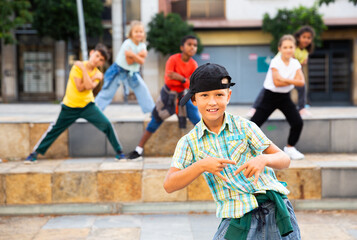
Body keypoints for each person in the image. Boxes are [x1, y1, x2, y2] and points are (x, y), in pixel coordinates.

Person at [164, 63, 301, 240]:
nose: (212, 102)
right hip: (238, 216)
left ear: (228, 96)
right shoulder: (189, 142)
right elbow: (169, 184)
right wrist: (201, 165)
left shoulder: (245, 127)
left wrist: (264, 159)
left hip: (276, 211)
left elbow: (284, 159)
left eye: (219, 95)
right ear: (194, 100)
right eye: (205, 95)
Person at [25, 44, 125, 164]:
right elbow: (80, 87)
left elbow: (88, 87)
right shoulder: (77, 67)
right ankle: (34, 154)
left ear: (102, 63)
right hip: (69, 107)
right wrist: (88, 74)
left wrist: (85, 71)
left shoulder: (96, 72)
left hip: (88, 106)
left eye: (101, 60)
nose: (97, 59)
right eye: (97, 56)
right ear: (91, 53)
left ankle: (119, 153)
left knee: (107, 125)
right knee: (54, 130)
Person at [126, 35, 200, 161]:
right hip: (168, 95)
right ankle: (138, 150)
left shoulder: (193, 65)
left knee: (198, 121)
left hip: (183, 96)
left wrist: (180, 78)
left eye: (195, 45)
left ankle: (207, 150)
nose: (192, 47)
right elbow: (169, 80)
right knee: (155, 120)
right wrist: (184, 80)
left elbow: (193, 85)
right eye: (189, 44)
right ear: (182, 47)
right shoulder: (173, 59)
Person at [250, 35, 305, 160]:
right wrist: (292, 81)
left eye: (291, 47)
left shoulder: (295, 63)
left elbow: (301, 82)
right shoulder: (276, 61)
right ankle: (247, 149)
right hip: (270, 96)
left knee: (297, 122)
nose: (288, 50)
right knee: (254, 124)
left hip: (285, 97)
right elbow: (276, 83)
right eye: (285, 47)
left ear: (295, 48)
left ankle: (290, 148)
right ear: (280, 48)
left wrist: (284, 79)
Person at [247, 26, 315, 118]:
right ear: (298, 37)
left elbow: (299, 66)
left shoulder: (305, 52)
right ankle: (254, 108)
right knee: (266, 89)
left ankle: (302, 108)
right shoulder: (292, 47)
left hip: (289, 73)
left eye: (309, 38)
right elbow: (289, 59)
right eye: (304, 37)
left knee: (302, 87)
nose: (306, 40)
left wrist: (300, 67)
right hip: (280, 69)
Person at [95, 20, 154, 113]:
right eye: (136, 32)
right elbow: (129, 61)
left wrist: (133, 55)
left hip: (132, 73)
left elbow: (142, 61)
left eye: (141, 32)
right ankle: (95, 110)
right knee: (108, 92)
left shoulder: (143, 45)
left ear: (144, 33)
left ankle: (151, 111)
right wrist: (138, 56)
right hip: (119, 70)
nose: (139, 34)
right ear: (131, 33)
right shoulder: (127, 43)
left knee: (143, 90)